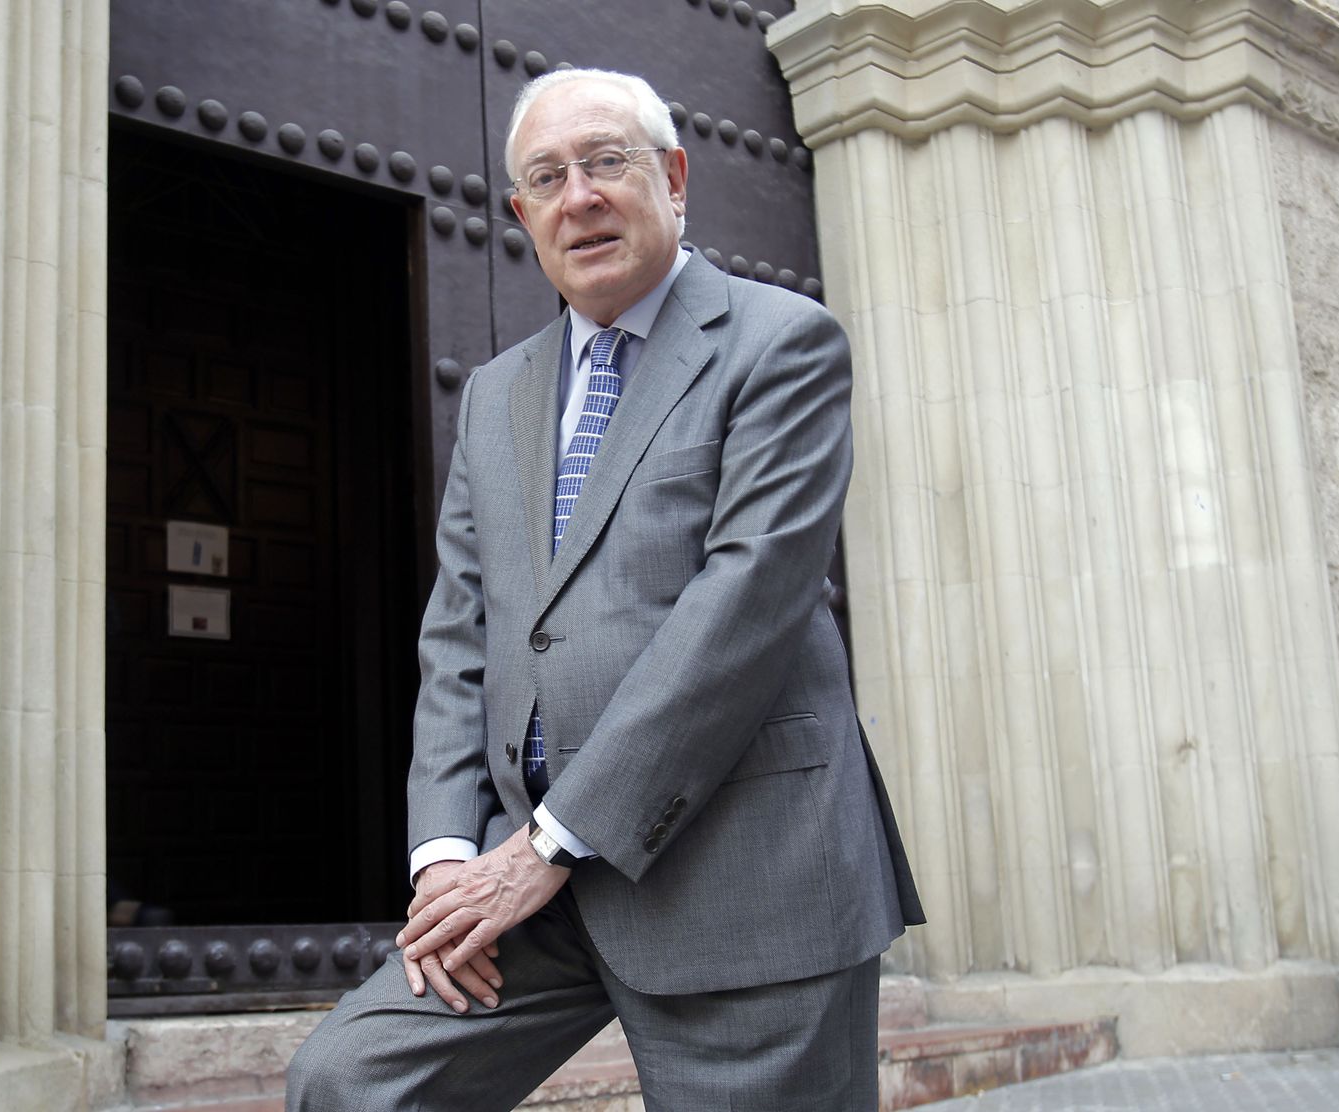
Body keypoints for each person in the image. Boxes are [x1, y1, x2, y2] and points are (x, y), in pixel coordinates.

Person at [286, 67, 924, 1111]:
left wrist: (550, 840)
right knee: (351, 1080)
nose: (578, 194)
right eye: (547, 175)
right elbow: (462, 629)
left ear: (674, 177)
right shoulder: (496, 395)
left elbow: (743, 610)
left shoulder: (780, 343)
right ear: (520, 214)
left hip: (743, 865)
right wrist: (446, 854)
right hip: (529, 887)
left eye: (605, 162)